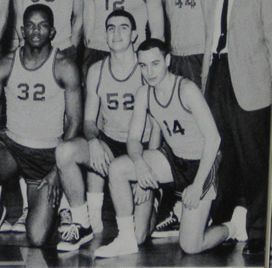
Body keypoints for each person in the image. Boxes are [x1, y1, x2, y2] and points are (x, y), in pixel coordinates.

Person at [0, 4, 83, 246]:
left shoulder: (64, 66)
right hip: (12, 149)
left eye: (43, 25)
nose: (36, 30)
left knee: (36, 239)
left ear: (53, 32)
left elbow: (75, 121)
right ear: (21, 30)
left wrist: (58, 169)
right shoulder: (5, 65)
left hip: (48, 155)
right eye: (31, 25)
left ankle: (62, 202)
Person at [95, 39, 231, 258]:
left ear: (167, 61)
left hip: (203, 164)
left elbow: (214, 140)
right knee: (118, 168)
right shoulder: (144, 94)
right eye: (143, 65)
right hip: (174, 159)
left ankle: (232, 227)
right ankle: (126, 238)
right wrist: (140, 166)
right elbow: (133, 138)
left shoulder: (186, 89)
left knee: (190, 246)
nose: (149, 71)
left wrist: (197, 186)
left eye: (155, 63)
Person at [9, 0, 85, 233]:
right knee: (28, 130)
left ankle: (68, 208)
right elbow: (17, 22)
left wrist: (70, 52)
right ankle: (30, 207)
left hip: (61, 52)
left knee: (66, 128)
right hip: (30, 56)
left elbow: (80, 17)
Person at [55, 10, 156, 251]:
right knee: (64, 152)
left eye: (123, 27)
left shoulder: (146, 70)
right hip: (110, 143)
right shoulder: (97, 70)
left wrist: (146, 170)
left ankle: (160, 200)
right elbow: (89, 121)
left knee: (139, 236)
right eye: (110, 28)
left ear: (134, 35)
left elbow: (158, 126)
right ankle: (82, 222)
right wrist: (93, 141)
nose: (116, 33)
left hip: (141, 150)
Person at [201, 0, 272, 257]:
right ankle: (225, 223)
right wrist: (205, 84)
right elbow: (208, 42)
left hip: (251, 84)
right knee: (221, 156)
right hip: (216, 76)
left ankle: (260, 230)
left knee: (255, 160)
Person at [155, 0, 221, 238]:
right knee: (175, 136)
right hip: (176, 59)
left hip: (201, 60)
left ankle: (207, 206)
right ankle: (180, 208)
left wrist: (208, 72)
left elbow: (214, 31)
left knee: (204, 135)